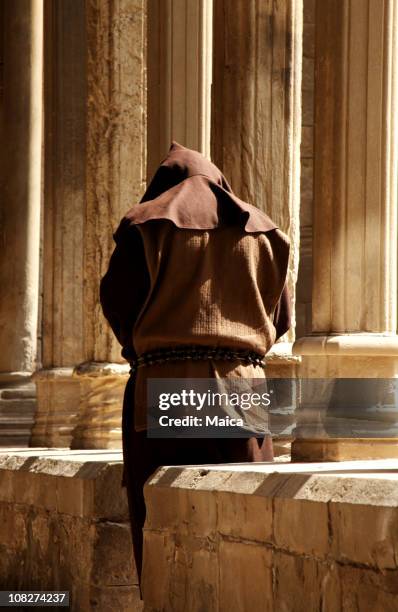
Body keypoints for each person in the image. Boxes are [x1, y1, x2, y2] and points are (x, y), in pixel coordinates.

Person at [100, 141, 291, 589]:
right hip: (243, 391)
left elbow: (118, 302)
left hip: (164, 385)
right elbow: (280, 319)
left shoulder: (144, 224)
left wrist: (147, 349)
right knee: (247, 520)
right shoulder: (262, 232)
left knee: (162, 520)